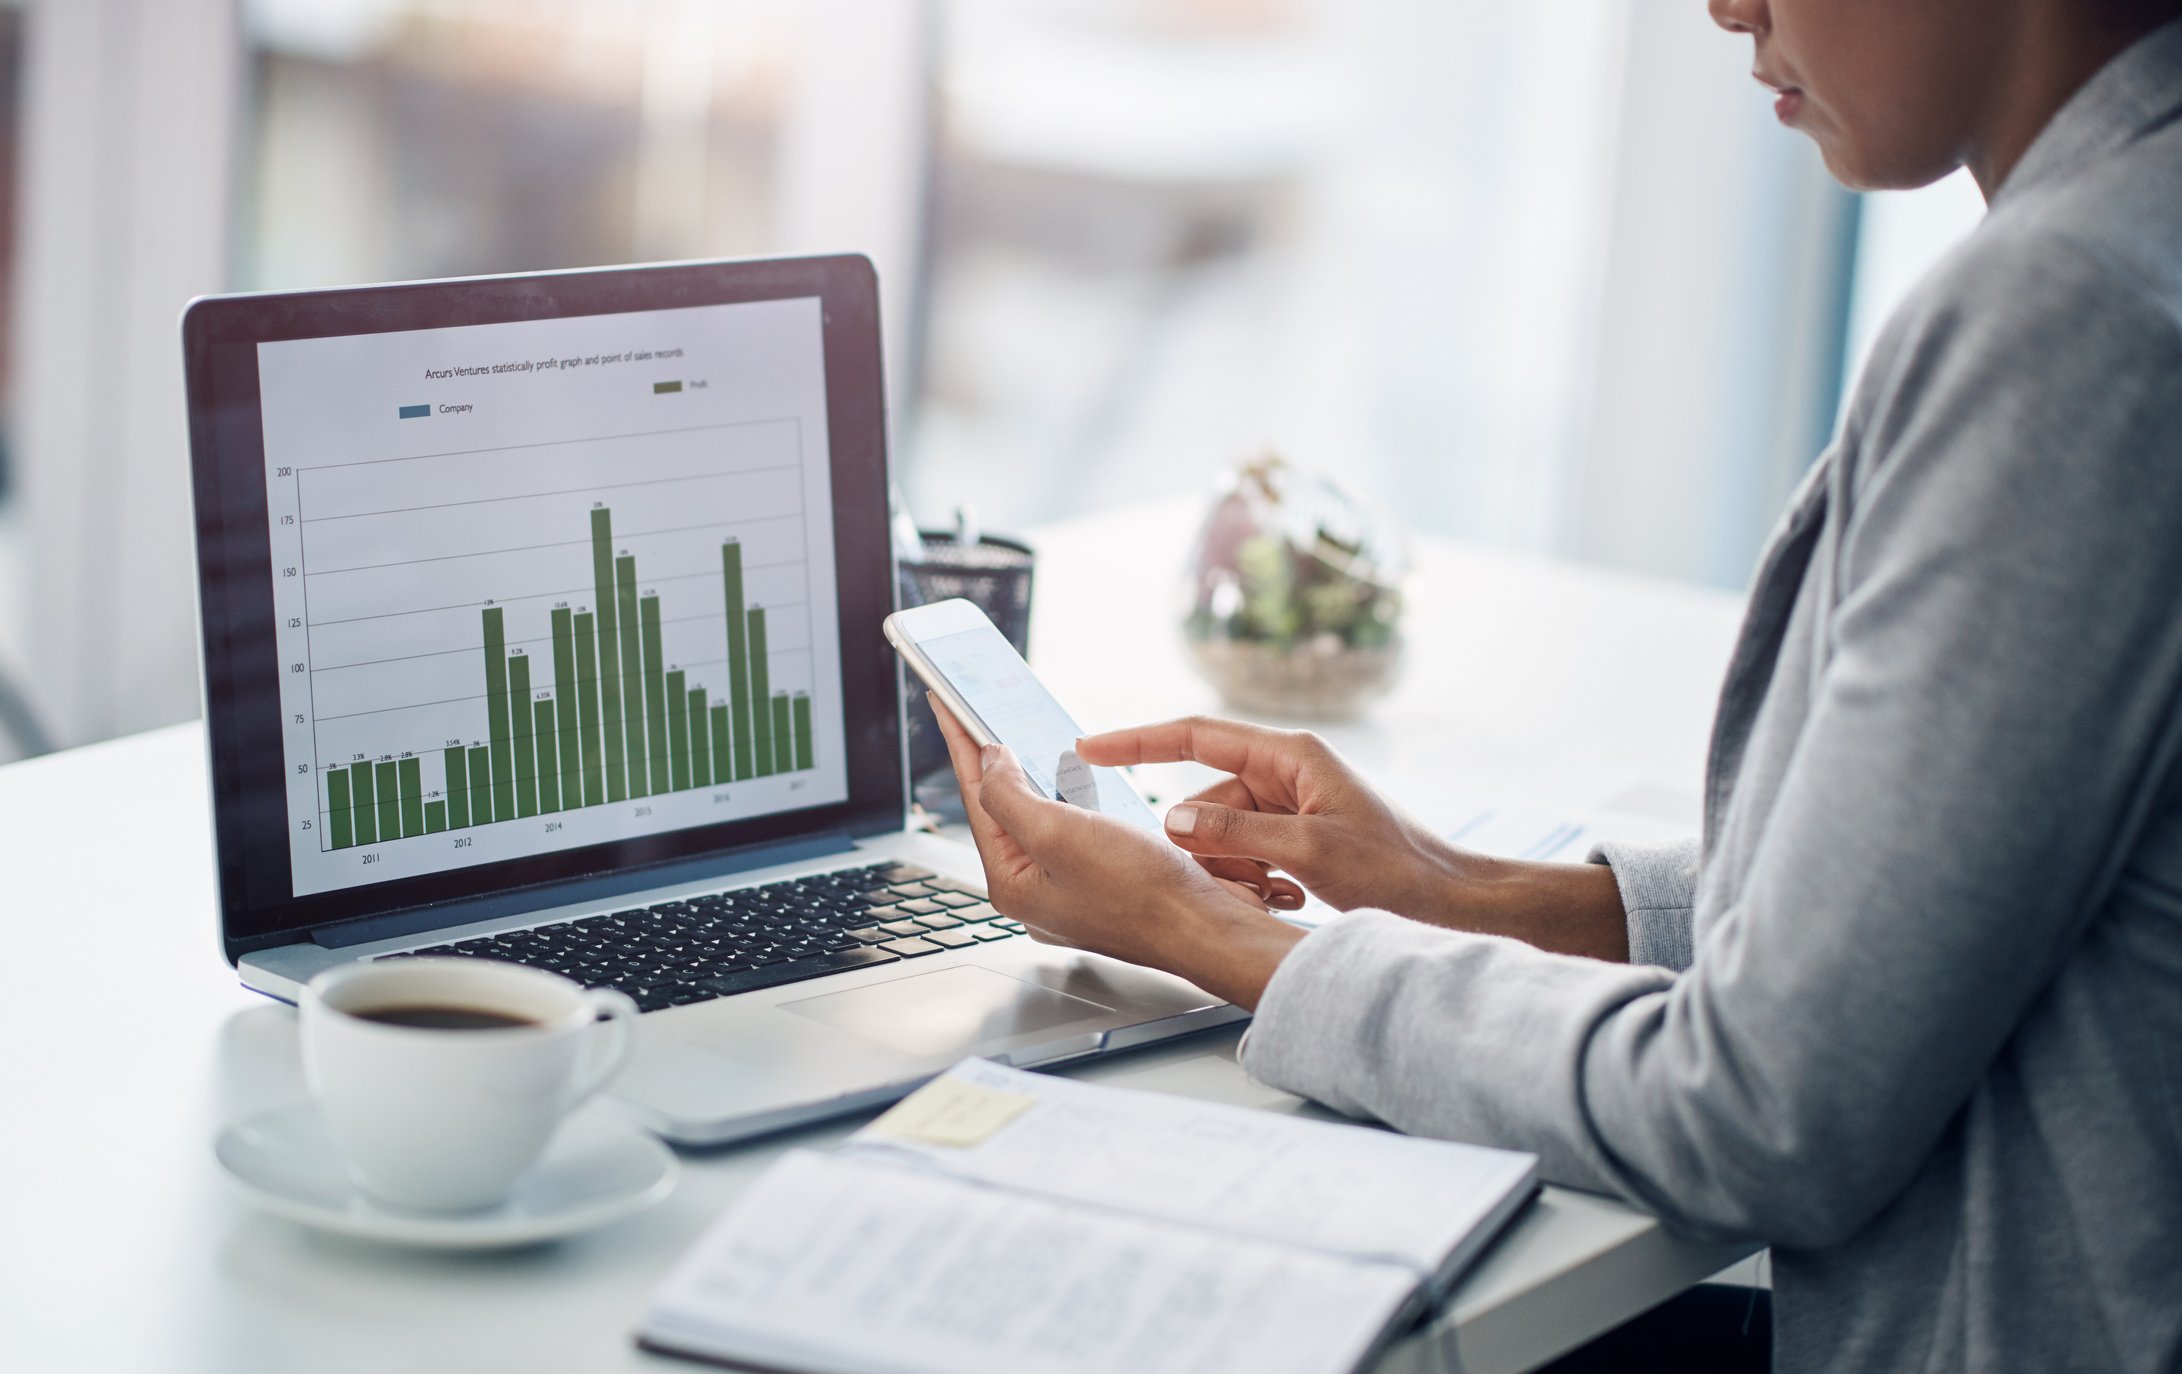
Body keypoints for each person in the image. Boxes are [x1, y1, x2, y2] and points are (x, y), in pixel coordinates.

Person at [929, 1, 2182, 1370]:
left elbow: (1758, 1112)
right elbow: (1957, 899)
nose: (1727, 7)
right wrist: (1469, 892)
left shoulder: (2072, 313)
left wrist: (1217, 938)